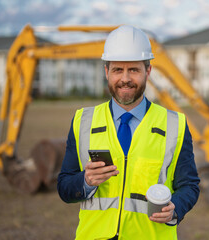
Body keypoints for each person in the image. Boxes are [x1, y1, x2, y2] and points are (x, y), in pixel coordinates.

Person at [57, 25, 200, 240]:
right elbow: (64, 187)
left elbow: (189, 185)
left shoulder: (175, 124)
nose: (125, 78)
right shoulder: (83, 121)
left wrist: (175, 208)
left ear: (148, 72)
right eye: (117, 70)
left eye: (133, 69)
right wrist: (85, 181)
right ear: (106, 72)